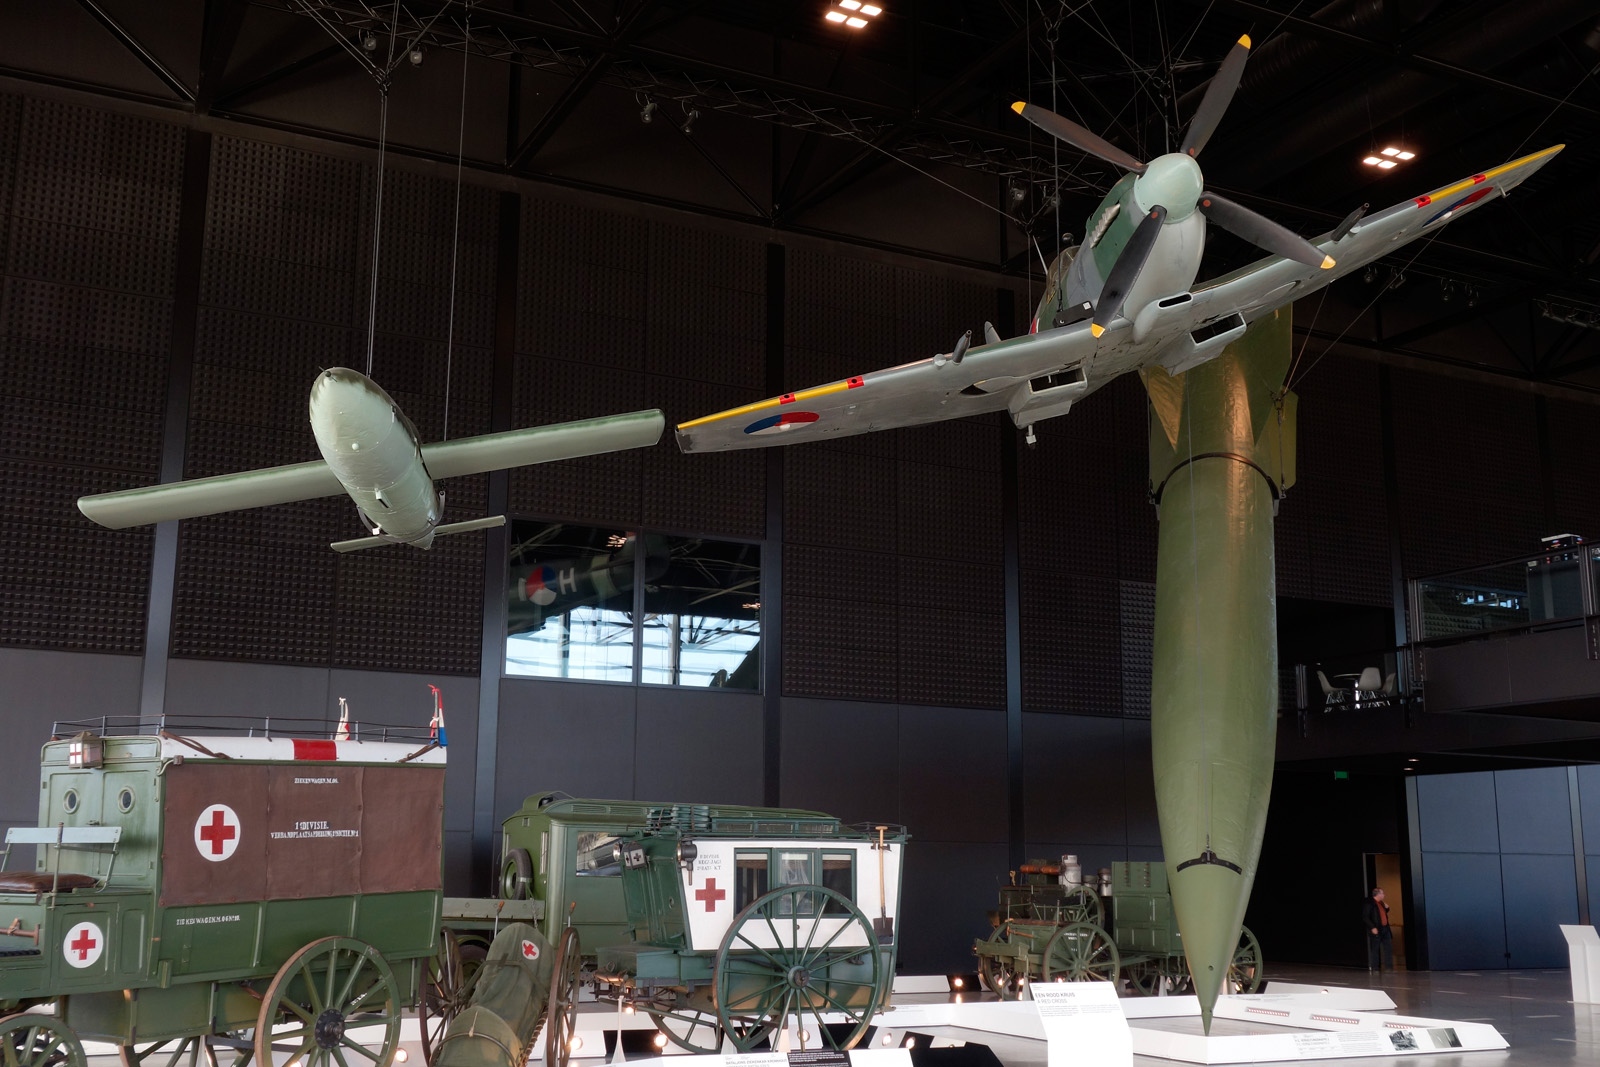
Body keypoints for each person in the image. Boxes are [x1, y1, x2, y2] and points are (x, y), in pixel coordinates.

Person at [1363, 886, 1393, 973]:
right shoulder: (1370, 904)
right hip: (1377, 928)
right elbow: (1365, 917)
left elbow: (1381, 914)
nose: (1384, 895)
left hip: (1385, 928)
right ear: (1378, 894)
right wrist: (1372, 927)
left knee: (1388, 948)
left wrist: (1387, 908)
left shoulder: (1381, 903)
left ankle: (1389, 967)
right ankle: (1375, 967)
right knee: (1375, 949)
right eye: (1382, 893)